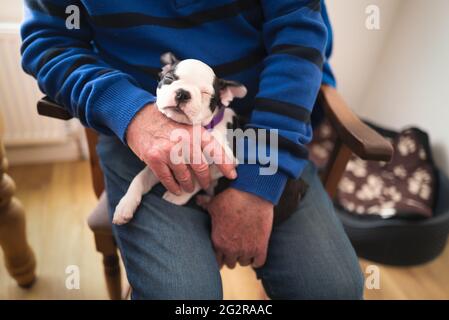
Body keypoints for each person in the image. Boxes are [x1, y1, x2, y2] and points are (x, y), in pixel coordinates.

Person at [21, 0, 364, 299]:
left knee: (333, 289)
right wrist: (131, 114)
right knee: (182, 296)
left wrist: (259, 182)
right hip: (139, 131)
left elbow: (299, 32)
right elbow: (51, 42)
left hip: (263, 127)